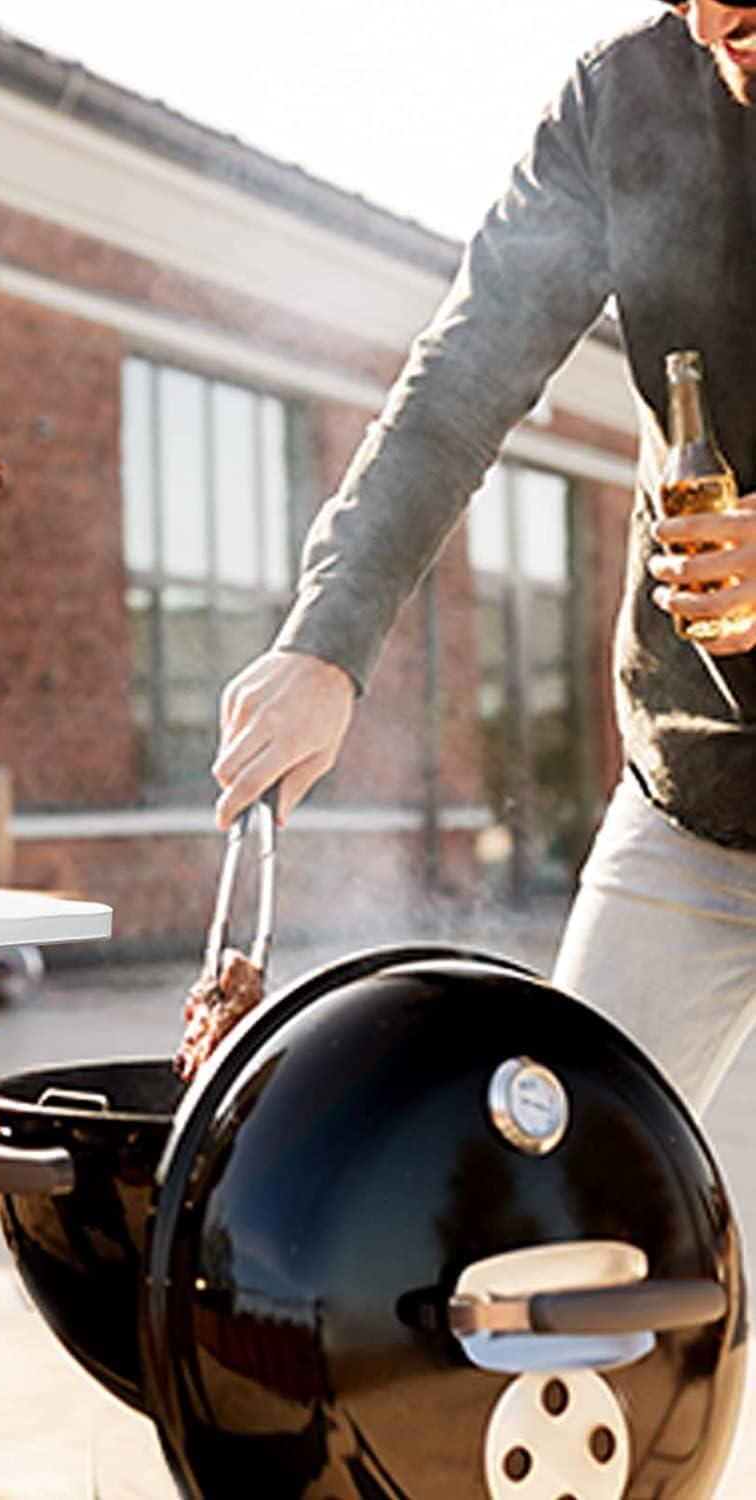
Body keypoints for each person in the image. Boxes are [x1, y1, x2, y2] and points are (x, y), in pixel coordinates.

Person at [214, 0, 756, 1116]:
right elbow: (458, 387)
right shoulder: (623, 100)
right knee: (577, 1208)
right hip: (699, 790)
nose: (709, 18)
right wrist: (327, 639)